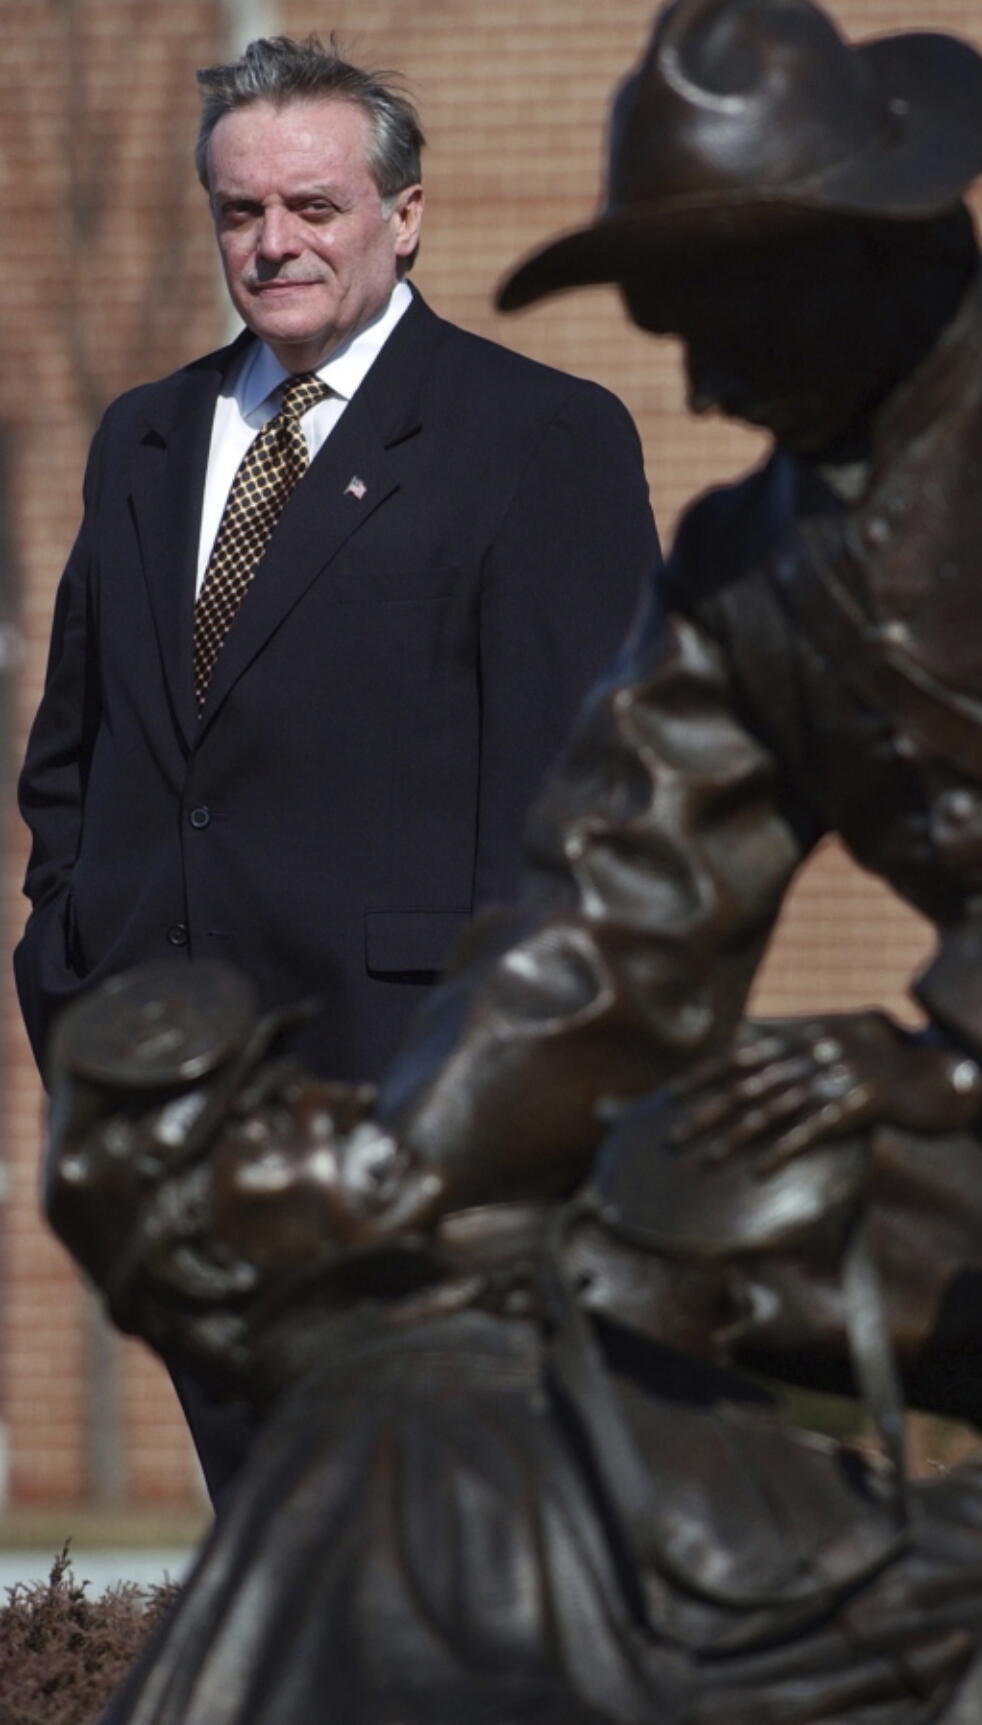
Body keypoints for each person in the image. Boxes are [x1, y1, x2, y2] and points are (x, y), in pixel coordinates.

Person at [332, 0, 982, 1545]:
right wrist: (383, 1201)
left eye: (723, 320)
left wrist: (962, 1047)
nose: (696, 388)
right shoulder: (742, 570)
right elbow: (604, 924)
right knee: (641, 1195)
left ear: (868, 246)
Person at [14, 33, 658, 1494]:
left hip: (406, 1099)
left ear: (403, 214)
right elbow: (80, 751)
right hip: (172, 1092)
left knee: (426, 1529)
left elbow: (590, 789)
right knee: (270, 1527)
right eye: (241, 212)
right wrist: (72, 957)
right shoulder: (146, 437)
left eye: (314, 206)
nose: (273, 242)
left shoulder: (534, 435)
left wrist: (517, 1094)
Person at [43, 961, 982, 1725]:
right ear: (206, 1260)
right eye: (266, 1124)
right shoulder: (440, 1444)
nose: (329, 1101)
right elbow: (830, 1601)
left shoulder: (451, 1374)